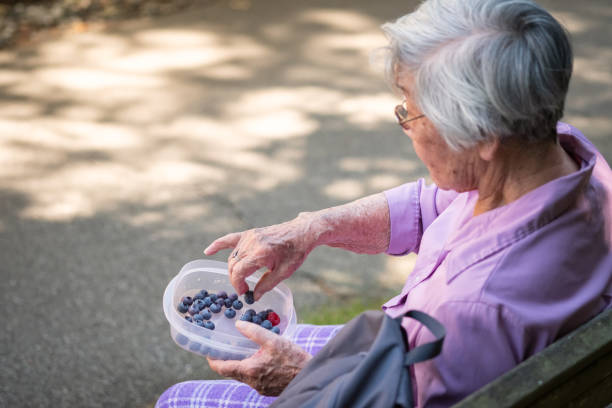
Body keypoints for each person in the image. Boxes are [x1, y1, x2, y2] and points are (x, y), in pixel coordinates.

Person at [156, 0, 612, 406]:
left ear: (484, 136)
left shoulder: (476, 310)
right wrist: (312, 228)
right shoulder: (559, 159)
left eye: (409, 111)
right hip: (404, 351)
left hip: (394, 377)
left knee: (178, 400)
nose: (406, 127)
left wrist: (299, 376)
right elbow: (432, 205)